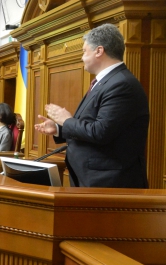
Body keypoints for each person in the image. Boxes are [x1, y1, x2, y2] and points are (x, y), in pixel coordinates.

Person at [35, 23, 150, 189]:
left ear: (99, 51)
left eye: (84, 51)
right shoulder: (106, 82)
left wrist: (67, 121)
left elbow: (100, 132)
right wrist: (60, 129)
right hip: (92, 179)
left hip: (109, 183)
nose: (82, 57)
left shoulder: (122, 84)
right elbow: (92, 127)